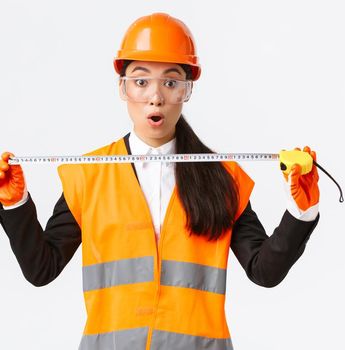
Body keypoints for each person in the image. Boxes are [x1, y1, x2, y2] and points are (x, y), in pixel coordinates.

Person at [0, 12, 321, 350]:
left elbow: (263, 271)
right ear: (123, 88)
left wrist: (301, 211)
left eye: (170, 82)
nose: (155, 97)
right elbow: (41, 269)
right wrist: (13, 203)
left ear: (187, 90)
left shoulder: (222, 178)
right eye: (141, 81)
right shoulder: (88, 175)